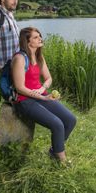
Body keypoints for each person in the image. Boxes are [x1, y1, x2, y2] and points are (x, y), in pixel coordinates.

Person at [12, 27, 77, 163]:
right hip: (25, 100)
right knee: (57, 124)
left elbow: (48, 78)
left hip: (41, 95)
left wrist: (43, 89)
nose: (40, 39)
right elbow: (19, 88)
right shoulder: (20, 59)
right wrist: (42, 97)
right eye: (36, 37)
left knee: (70, 120)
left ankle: (54, 150)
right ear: (27, 41)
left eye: (39, 36)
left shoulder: (39, 57)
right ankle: (62, 160)